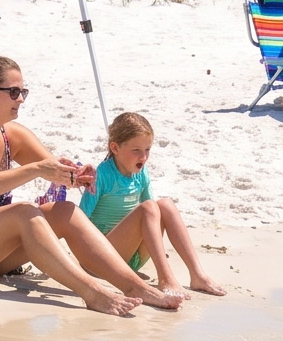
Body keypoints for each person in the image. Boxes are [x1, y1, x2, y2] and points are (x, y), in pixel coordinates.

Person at [0, 55, 183, 316]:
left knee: (64, 211)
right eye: (14, 92)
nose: (21, 99)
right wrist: (37, 170)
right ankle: (92, 292)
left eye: (23, 92)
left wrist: (80, 175)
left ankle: (136, 286)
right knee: (24, 212)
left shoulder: (11, 135)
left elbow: (57, 171)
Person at [84, 112, 227, 297]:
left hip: (130, 260)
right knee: (149, 207)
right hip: (100, 261)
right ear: (115, 148)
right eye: (136, 150)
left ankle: (198, 274)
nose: (143, 156)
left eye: (147, 150)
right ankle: (166, 277)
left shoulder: (141, 173)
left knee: (165, 205)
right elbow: (78, 221)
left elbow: (153, 214)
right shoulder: (101, 175)